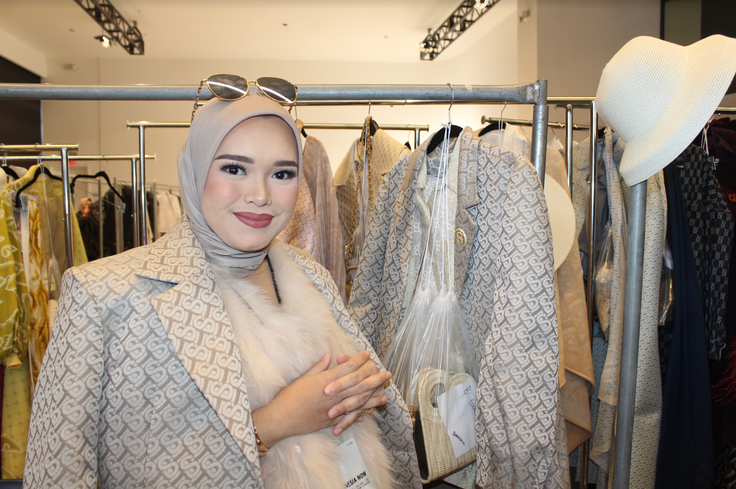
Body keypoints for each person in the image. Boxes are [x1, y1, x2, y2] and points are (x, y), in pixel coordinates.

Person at [24, 93, 420, 488]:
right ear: (196, 168)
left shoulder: (309, 274)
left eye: (282, 173)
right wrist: (274, 422)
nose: (260, 195)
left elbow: (376, 413)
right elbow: (58, 475)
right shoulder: (103, 297)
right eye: (234, 168)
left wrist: (362, 391)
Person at [76, 196, 100, 261]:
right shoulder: (78, 216)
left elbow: (97, 227)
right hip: (84, 247)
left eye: (90, 205)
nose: (88, 207)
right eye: (87, 205)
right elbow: (78, 227)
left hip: (93, 248)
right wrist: (84, 215)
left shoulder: (92, 216)